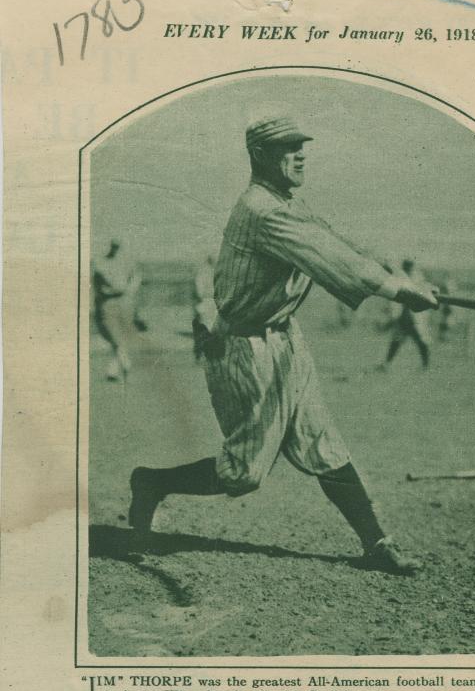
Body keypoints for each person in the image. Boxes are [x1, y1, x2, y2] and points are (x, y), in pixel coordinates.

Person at [129, 116, 439, 574]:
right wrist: (397, 292)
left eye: (302, 146)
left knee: (325, 445)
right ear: (259, 156)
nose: (300, 154)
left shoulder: (288, 202)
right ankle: (152, 482)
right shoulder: (262, 210)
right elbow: (329, 256)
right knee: (244, 474)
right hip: (244, 348)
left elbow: (338, 240)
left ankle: (378, 544)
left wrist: (396, 274)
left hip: (286, 340)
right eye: (287, 147)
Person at [92, 240, 142, 381]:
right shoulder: (101, 262)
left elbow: (136, 277)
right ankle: (124, 364)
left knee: (121, 338)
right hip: (107, 304)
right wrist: (124, 288)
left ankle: (114, 370)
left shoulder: (127, 263)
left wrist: (130, 290)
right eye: (114, 246)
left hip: (124, 303)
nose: (116, 249)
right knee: (113, 337)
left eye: (118, 246)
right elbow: (110, 284)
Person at [376, 258, 433, 370]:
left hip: (415, 316)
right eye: (406, 267)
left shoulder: (418, 279)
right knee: (396, 341)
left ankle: (426, 365)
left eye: (409, 267)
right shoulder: (401, 278)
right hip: (404, 317)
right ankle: (387, 364)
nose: (407, 269)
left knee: (421, 341)